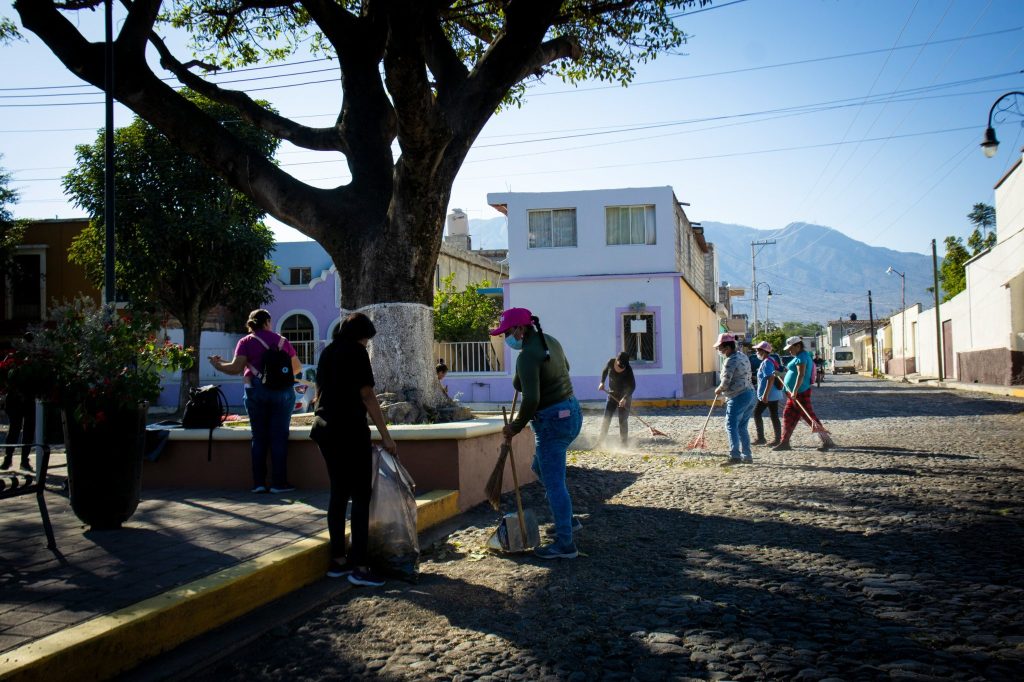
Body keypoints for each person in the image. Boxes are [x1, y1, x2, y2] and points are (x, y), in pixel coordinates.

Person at [310, 312, 397, 587]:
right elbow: (368, 396)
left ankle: (338, 560)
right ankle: (359, 565)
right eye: (366, 339)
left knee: (338, 493)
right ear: (362, 336)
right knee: (360, 496)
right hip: (349, 429)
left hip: (324, 427)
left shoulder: (328, 352)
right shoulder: (357, 353)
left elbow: (319, 391)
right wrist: (387, 437)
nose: (366, 344)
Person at [492, 307, 582, 560]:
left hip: (552, 422)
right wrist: (522, 378)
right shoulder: (549, 341)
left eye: (508, 332)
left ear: (521, 329)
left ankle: (565, 544)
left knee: (554, 484)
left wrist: (515, 427)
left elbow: (531, 399)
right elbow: (565, 366)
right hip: (572, 412)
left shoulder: (526, 357)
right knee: (541, 468)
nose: (506, 338)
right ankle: (569, 521)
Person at [209, 309, 302, 494]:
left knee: (259, 438)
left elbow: (235, 368)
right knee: (279, 437)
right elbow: (297, 368)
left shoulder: (245, 342)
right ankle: (279, 483)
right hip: (282, 393)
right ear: (267, 321)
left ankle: (259, 483)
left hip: (256, 391)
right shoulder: (281, 341)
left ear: (251, 324)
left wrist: (217, 364)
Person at [773, 336, 830, 451]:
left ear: (798, 346)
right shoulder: (799, 356)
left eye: (791, 348)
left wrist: (794, 390)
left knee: (810, 417)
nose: (789, 351)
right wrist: (781, 374)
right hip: (794, 393)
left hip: (800, 392)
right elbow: (792, 372)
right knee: (788, 416)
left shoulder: (802, 357)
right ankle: (785, 442)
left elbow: (801, 375)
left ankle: (827, 440)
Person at [712, 333, 755, 465]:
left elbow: (725, 382)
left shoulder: (730, 360)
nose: (719, 351)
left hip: (738, 396)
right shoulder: (743, 356)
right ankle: (747, 455)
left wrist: (718, 390)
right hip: (751, 394)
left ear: (728, 347)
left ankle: (735, 456)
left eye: (720, 348)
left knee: (731, 426)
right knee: (742, 426)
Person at [2, 333, 35, 472]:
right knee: (18, 429)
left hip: (25, 398)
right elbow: (4, 374)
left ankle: (15, 459)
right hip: (19, 398)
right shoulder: (15, 358)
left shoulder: (32, 358)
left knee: (19, 430)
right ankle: (13, 459)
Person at [596, 351, 636, 446]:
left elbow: (632, 386)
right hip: (612, 395)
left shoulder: (628, 370)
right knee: (607, 418)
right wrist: (602, 382)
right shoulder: (611, 362)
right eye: (620, 365)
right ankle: (600, 442)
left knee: (622, 420)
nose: (621, 367)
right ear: (616, 360)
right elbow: (605, 371)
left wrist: (624, 398)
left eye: (623, 366)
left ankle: (624, 444)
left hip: (624, 398)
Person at [751, 341, 783, 446]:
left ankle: (762, 438)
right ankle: (777, 439)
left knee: (757, 413)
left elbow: (770, 378)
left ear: (763, 351)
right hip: (773, 393)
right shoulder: (771, 360)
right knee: (774, 415)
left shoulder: (767, 362)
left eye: (757, 350)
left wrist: (765, 395)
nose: (756, 352)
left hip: (769, 394)